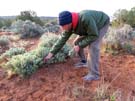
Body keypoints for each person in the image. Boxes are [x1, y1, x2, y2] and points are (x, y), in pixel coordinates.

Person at [44, 10, 110, 81]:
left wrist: (80, 46)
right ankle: (83, 61)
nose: (62, 28)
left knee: (93, 46)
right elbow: (62, 40)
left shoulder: (85, 18)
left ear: (70, 23)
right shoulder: (69, 26)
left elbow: (93, 35)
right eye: (61, 26)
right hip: (90, 28)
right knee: (76, 42)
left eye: (63, 26)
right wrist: (51, 53)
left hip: (101, 24)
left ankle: (94, 74)